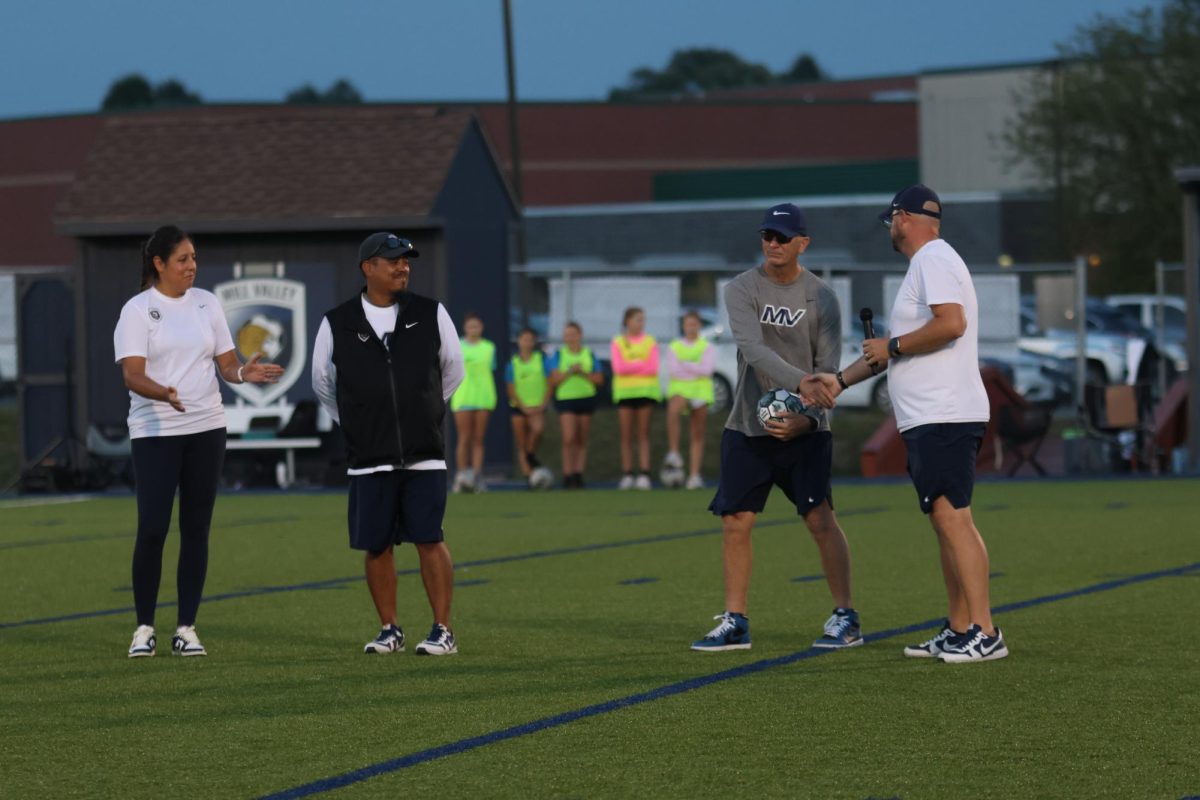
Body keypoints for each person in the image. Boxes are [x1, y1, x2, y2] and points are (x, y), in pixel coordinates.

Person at [811, 185, 1008, 663]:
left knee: (953, 517)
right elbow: (895, 351)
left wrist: (893, 346)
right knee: (945, 520)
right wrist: (839, 381)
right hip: (932, 414)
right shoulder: (930, 262)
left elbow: (951, 324)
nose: (889, 229)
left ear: (903, 218)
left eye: (890, 220)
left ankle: (985, 630)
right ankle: (960, 627)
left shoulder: (932, 259)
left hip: (945, 411)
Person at [690, 203, 862, 653]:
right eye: (768, 234)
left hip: (806, 427)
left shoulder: (821, 296)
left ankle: (846, 615)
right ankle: (736, 621)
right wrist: (800, 382)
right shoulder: (741, 288)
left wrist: (808, 415)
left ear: (803, 243)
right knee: (735, 520)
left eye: (783, 237)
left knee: (820, 519)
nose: (773, 243)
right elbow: (752, 348)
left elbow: (827, 368)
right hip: (748, 425)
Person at [115, 225, 283, 659]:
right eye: (183, 260)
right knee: (152, 529)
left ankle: (186, 628)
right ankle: (144, 628)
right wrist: (164, 393)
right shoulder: (137, 310)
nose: (192, 266)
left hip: (207, 428)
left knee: (196, 528)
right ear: (159, 264)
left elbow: (227, 365)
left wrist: (246, 373)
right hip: (155, 430)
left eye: (194, 258)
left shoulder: (208, 303)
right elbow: (132, 374)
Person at [312, 232, 465, 656]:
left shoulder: (431, 313)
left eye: (407, 260)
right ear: (368, 268)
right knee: (376, 543)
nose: (403, 267)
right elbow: (323, 385)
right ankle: (389, 629)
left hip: (423, 454)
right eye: (394, 260)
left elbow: (452, 371)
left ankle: (442, 630)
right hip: (369, 457)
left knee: (429, 538)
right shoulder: (336, 322)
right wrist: (361, 422)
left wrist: (426, 411)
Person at [663, 310, 715, 490]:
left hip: (701, 391)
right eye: (688, 324)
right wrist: (695, 368)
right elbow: (674, 370)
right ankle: (674, 452)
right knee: (673, 410)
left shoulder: (706, 346)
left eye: (694, 324)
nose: (691, 327)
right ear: (683, 326)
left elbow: (707, 370)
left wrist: (687, 366)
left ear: (699, 325)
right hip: (680, 389)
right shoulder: (675, 346)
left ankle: (694, 475)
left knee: (698, 432)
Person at [548, 321, 603, 488]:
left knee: (581, 438)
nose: (570, 338)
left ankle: (578, 474)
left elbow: (599, 379)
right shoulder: (558, 355)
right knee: (568, 437)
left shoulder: (589, 354)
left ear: (580, 335)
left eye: (573, 334)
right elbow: (554, 379)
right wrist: (571, 371)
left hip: (586, 398)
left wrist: (583, 372)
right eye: (567, 335)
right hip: (566, 399)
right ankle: (568, 474)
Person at [611, 307, 661, 490]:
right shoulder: (618, 342)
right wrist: (639, 364)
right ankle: (627, 473)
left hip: (645, 392)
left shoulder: (650, 341)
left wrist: (632, 365)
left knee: (643, 434)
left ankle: (644, 473)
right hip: (625, 393)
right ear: (627, 321)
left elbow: (652, 367)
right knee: (626, 435)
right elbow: (619, 368)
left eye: (642, 319)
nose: (641, 323)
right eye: (637, 319)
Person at [449, 312, 496, 492]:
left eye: (476, 326)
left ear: (481, 327)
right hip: (463, 397)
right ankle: (461, 477)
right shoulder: (457, 346)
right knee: (464, 438)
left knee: (478, 439)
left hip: (484, 397)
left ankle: (476, 477)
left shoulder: (489, 347)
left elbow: (490, 369)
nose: (473, 329)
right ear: (464, 328)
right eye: (470, 326)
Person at [505, 327, 551, 485]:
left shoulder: (541, 359)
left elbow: (549, 384)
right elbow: (511, 389)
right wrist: (523, 407)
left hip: (537, 407)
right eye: (524, 339)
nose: (527, 343)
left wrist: (542, 404)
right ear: (519, 341)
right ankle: (529, 477)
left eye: (530, 340)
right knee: (522, 443)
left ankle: (531, 457)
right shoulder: (513, 363)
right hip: (519, 407)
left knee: (537, 431)